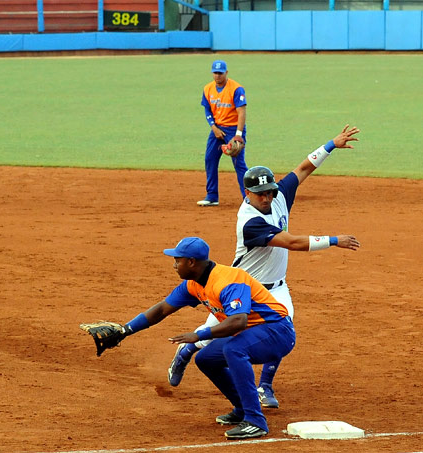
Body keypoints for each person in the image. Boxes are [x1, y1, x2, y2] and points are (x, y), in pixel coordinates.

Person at [168, 125, 361, 409]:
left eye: (270, 191)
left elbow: (304, 168)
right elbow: (292, 243)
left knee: (281, 328)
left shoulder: (279, 195)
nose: (267, 197)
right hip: (239, 289)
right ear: (247, 193)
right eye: (260, 194)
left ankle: (265, 386)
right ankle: (186, 350)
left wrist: (331, 144)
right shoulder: (249, 221)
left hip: (276, 289)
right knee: (212, 337)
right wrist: (334, 240)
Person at [116, 237, 295, 440]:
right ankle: (242, 409)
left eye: (178, 260)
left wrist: (199, 335)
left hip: (277, 331)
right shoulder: (193, 284)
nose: (174, 265)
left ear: (191, 262)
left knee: (234, 349)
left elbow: (238, 321)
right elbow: (161, 310)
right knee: (206, 359)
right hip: (253, 333)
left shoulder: (229, 279)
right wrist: (124, 331)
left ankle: (255, 421)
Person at [197, 60, 249, 207]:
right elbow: (207, 109)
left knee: (239, 164)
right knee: (210, 159)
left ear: (226, 73)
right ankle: (212, 196)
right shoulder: (207, 89)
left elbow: (241, 112)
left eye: (220, 73)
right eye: (215, 73)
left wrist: (238, 134)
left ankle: (249, 198)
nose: (218, 76)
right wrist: (213, 127)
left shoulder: (236, 89)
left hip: (233, 129)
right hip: (217, 129)